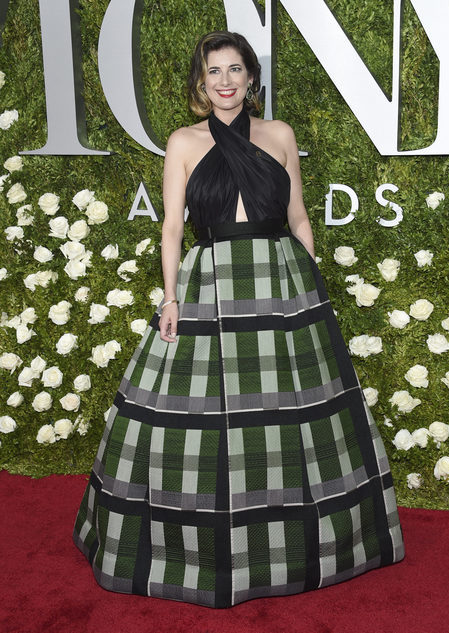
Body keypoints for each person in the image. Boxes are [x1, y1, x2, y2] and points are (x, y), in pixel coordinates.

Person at [73, 30, 404, 609]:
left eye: (234, 69)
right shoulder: (182, 141)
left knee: (288, 411)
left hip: (280, 281)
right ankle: (194, 547)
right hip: (210, 285)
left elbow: (299, 217)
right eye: (213, 72)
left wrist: (310, 280)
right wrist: (170, 298)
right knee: (201, 412)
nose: (224, 81)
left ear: (251, 77)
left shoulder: (279, 135)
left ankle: (308, 543)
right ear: (201, 83)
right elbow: (172, 228)